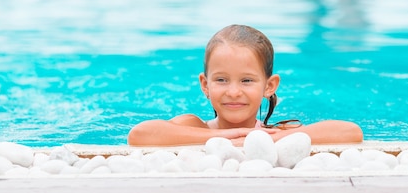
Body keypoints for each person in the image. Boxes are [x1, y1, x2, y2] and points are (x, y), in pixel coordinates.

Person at [128, 24, 363, 146]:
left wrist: (271, 139)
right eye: (221, 80)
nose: (233, 92)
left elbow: (351, 132)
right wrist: (230, 135)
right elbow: (140, 134)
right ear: (205, 84)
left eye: (247, 80)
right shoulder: (196, 126)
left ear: (269, 86)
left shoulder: (275, 132)